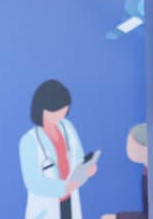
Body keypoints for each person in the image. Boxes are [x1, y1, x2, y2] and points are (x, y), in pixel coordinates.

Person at [18, 79, 97, 219]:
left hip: (70, 201)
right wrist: (64, 188)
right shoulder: (29, 141)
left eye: (64, 112)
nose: (62, 116)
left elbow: (78, 159)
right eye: (57, 112)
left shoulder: (68, 127)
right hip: (46, 207)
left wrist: (86, 171)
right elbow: (33, 182)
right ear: (43, 109)